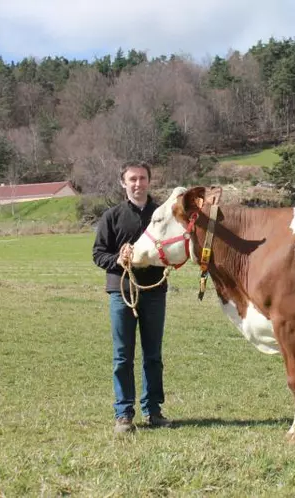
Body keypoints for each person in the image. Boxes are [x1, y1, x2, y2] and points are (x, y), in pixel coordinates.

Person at [92, 160, 171, 434]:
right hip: (121, 293)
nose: (138, 184)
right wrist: (119, 259)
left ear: (150, 181)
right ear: (123, 183)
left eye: (142, 178)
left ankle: (154, 411)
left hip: (154, 292)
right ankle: (124, 414)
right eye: (132, 179)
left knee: (153, 355)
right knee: (123, 356)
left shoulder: (162, 215)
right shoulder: (111, 217)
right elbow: (98, 254)